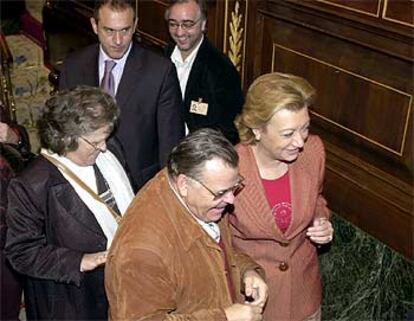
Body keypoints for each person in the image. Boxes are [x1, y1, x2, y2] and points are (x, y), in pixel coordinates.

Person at [105, 128, 268, 321]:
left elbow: (216, 250)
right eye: (221, 193)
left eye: (235, 187)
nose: (231, 199)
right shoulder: (141, 250)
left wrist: (246, 272)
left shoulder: (202, 197)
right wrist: (223, 317)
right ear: (183, 184)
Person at [5, 86, 135, 320]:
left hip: (125, 283)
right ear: (66, 138)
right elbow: (21, 252)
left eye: (105, 138)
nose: (104, 147)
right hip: (75, 303)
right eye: (96, 142)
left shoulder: (109, 149)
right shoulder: (33, 184)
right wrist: (81, 261)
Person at [229, 72, 334, 321]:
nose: (300, 142)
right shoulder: (230, 169)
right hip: (253, 303)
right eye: (288, 134)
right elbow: (215, 241)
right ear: (257, 129)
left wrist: (321, 221)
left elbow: (317, 198)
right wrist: (245, 272)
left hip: (304, 297)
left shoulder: (313, 151)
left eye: (305, 128)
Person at [60, 0, 184, 191]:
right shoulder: (74, 66)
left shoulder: (160, 71)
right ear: (95, 25)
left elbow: (170, 142)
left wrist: (165, 193)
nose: (118, 40)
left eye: (125, 30)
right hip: (84, 180)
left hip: (139, 185)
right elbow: (63, 128)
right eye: (109, 31)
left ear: (135, 25)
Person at [165, 0, 244, 144]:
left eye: (188, 24)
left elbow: (228, 130)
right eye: (173, 24)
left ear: (203, 24)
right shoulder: (160, 57)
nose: (179, 32)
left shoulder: (221, 70)